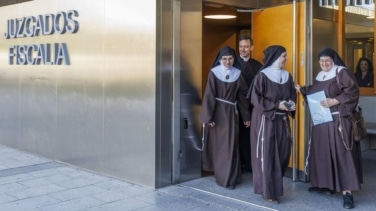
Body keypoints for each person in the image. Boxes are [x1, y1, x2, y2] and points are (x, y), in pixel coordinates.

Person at [295, 48, 362, 209]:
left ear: (333, 60)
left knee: (342, 154)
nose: (324, 64)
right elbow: (315, 92)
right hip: (323, 121)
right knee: (323, 153)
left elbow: (353, 92)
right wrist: (302, 89)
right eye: (321, 61)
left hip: (339, 120)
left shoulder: (341, 72)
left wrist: (335, 100)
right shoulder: (320, 76)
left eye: (327, 61)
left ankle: (348, 194)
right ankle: (326, 184)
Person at [248, 45, 296, 203]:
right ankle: (267, 191)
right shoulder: (262, 76)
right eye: (284, 56)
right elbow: (256, 99)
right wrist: (276, 105)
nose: (286, 59)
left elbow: (291, 95)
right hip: (266, 120)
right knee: (267, 154)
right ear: (275, 58)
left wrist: (291, 105)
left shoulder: (287, 76)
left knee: (282, 153)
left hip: (282, 121)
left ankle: (273, 186)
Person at [200, 46, 251, 189]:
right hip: (217, 114)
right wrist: (208, 117)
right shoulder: (214, 73)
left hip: (231, 113)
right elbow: (209, 96)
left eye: (230, 59)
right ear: (220, 60)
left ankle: (229, 177)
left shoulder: (237, 74)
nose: (227, 62)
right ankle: (224, 177)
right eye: (224, 59)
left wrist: (246, 115)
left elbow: (242, 96)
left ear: (234, 59)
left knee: (230, 145)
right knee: (221, 146)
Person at [236, 35, 263, 173]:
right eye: (240, 46)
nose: (243, 49)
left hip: (252, 107)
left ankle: (249, 164)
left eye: (246, 46)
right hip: (235, 106)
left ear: (251, 47)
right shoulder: (232, 63)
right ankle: (238, 165)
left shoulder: (257, 65)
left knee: (249, 136)